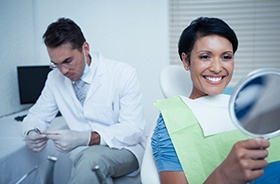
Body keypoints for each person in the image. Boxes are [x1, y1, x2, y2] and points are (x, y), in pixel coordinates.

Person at [151, 17, 280, 184]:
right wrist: (224, 175)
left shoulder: (244, 100)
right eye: (205, 57)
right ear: (186, 60)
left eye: (226, 57)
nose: (217, 68)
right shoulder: (173, 122)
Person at [21, 17, 146, 184]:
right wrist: (31, 132)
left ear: (85, 48)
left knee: (90, 160)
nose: (63, 70)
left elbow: (133, 129)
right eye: (55, 64)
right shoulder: (54, 79)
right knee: (92, 167)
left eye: (68, 61)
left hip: (125, 149)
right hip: (85, 156)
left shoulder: (122, 73)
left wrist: (87, 138)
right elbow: (36, 116)